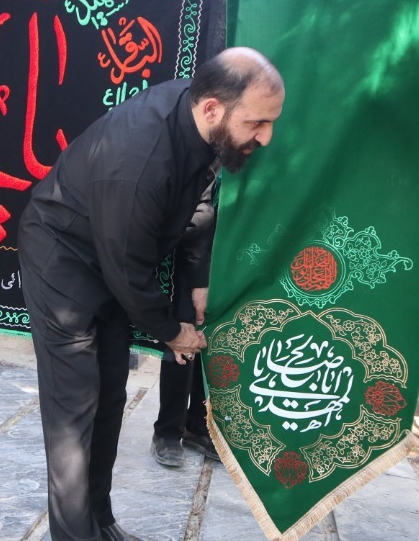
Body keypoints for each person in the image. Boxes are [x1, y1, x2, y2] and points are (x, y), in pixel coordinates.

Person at [17, 47, 284, 541]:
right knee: (74, 406)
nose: (266, 136)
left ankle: (101, 522)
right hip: (62, 257)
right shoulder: (138, 159)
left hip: (110, 253)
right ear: (213, 109)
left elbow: (197, 202)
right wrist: (171, 331)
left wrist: (198, 278)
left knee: (110, 396)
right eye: (257, 123)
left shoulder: (198, 116)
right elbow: (128, 268)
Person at [152, 175, 218, 468]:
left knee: (213, 339)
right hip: (192, 255)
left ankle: (199, 426)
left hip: (228, 259)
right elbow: (198, 215)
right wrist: (199, 280)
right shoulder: (208, 158)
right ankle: (167, 432)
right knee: (183, 337)